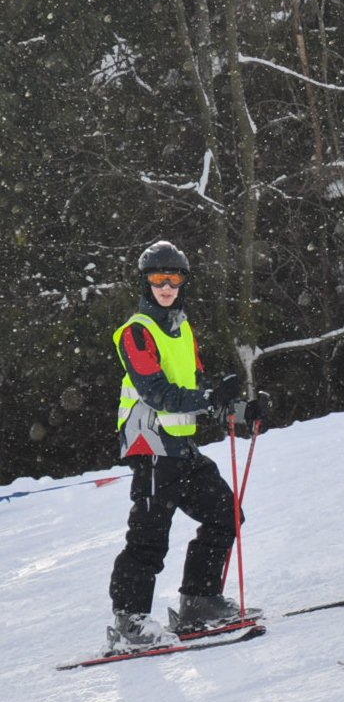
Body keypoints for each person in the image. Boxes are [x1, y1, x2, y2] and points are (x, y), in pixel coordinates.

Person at [105, 241, 259, 649]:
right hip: (151, 445)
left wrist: (239, 407)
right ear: (146, 282)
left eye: (174, 278)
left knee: (226, 514)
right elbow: (157, 392)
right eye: (158, 278)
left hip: (180, 446)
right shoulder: (137, 331)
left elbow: (196, 384)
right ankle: (130, 621)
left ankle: (199, 601)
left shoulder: (181, 327)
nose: (167, 287)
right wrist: (208, 398)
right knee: (149, 536)